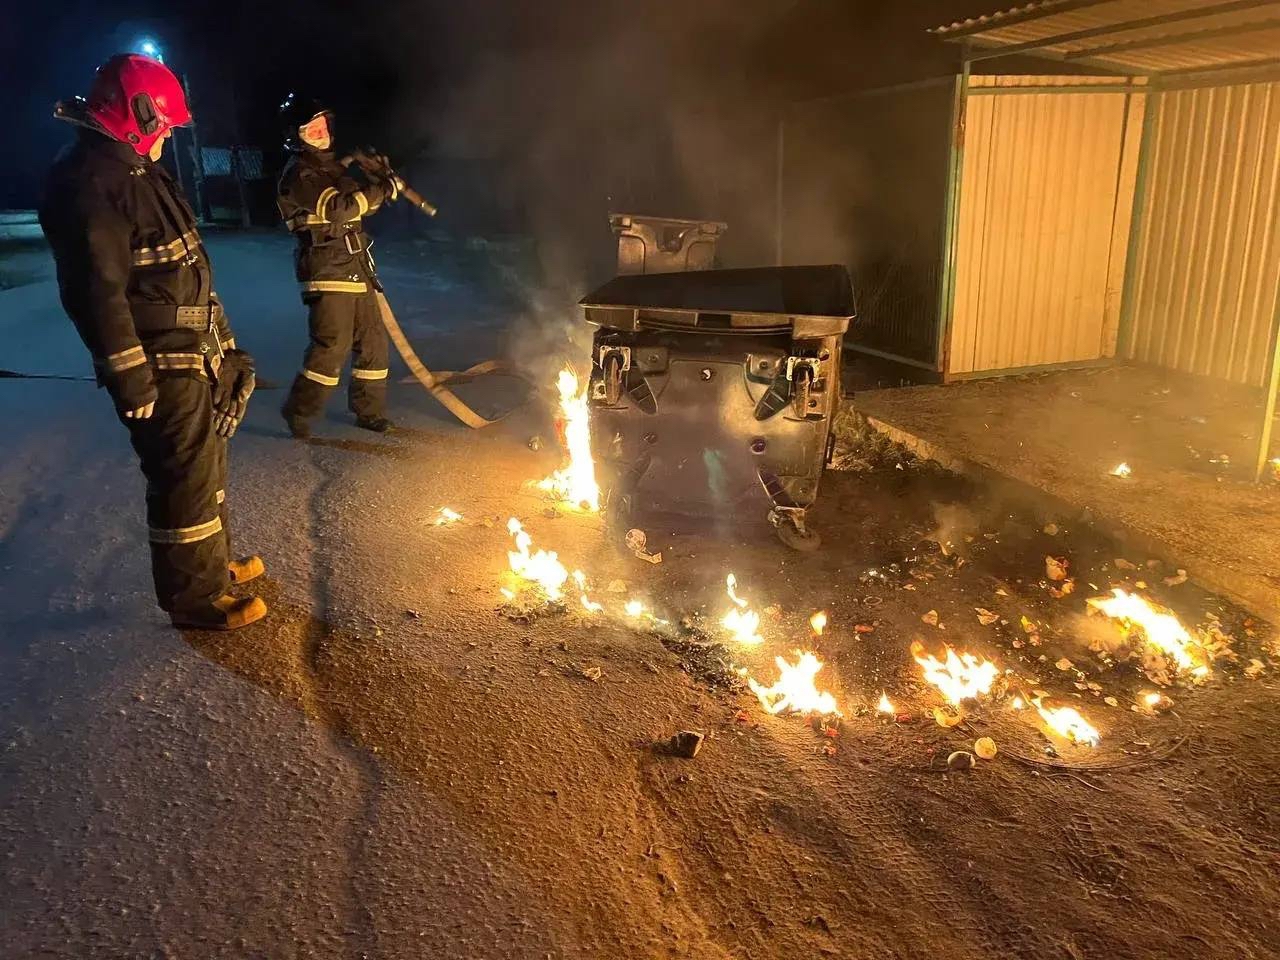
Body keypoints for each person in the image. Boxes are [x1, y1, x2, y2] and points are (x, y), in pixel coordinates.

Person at [39, 53, 267, 631]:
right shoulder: (91, 182)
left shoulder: (132, 169)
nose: (168, 135)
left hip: (191, 347)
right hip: (159, 361)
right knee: (181, 472)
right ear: (137, 114)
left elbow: (182, 269)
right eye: (164, 124)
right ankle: (194, 599)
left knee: (205, 460)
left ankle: (211, 566)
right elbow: (96, 293)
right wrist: (129, 374)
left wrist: (225, 343)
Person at [276, 94, 402, 439]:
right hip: (326, 270)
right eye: (310, 130)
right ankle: (299, 412)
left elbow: (362, 205)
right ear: (296, 137)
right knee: (332, 346)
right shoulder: (300, 174)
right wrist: (378, 193)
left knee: (374, 342)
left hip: (356, 264)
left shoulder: (331, 170)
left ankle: (369, 412)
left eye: (322, 127)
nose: (320, 134)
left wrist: (382, 185)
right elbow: (340, 210)